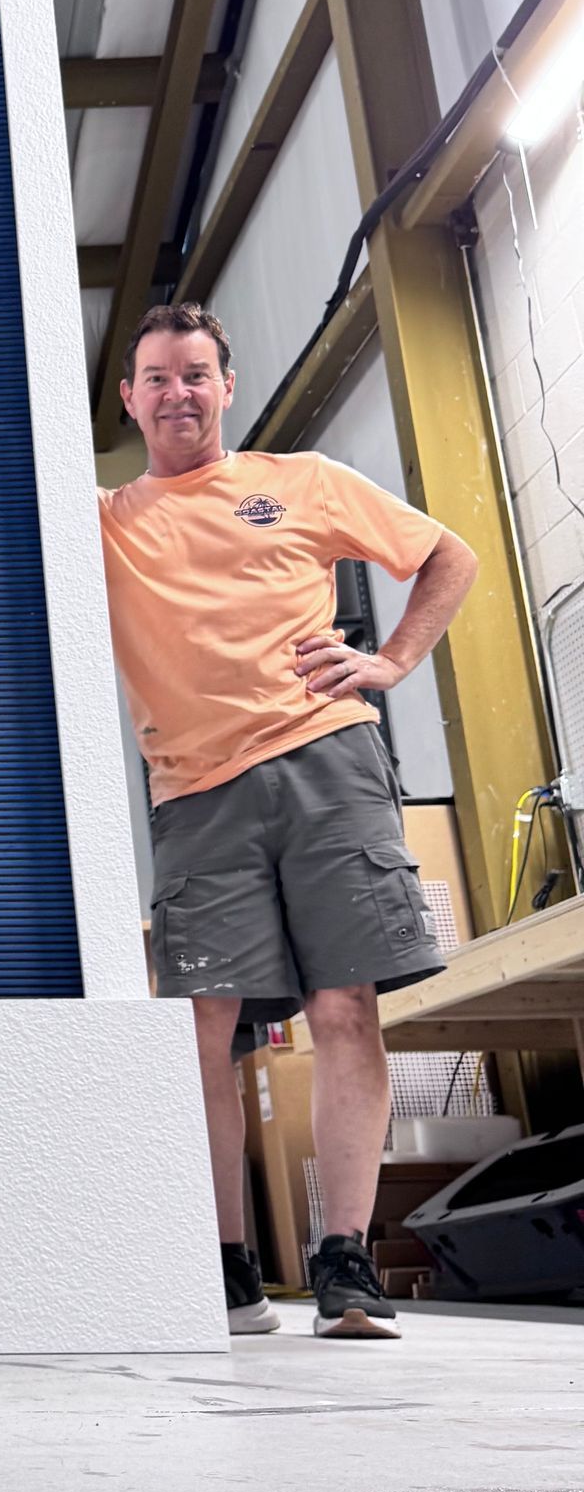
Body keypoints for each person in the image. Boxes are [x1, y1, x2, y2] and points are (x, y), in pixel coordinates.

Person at [98, 301, 479, 1340]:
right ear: (128, 398)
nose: (178, 393)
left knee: (344, 1005)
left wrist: (391, 660)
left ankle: (345, 1261)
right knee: (204, 1027)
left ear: (226, 386)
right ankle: (228, 1268)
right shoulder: (106, 519)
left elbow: (448, 555)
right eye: (157, 377)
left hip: (326, 761)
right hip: (192, 795)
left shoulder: (300, 481)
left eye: (196, 374)